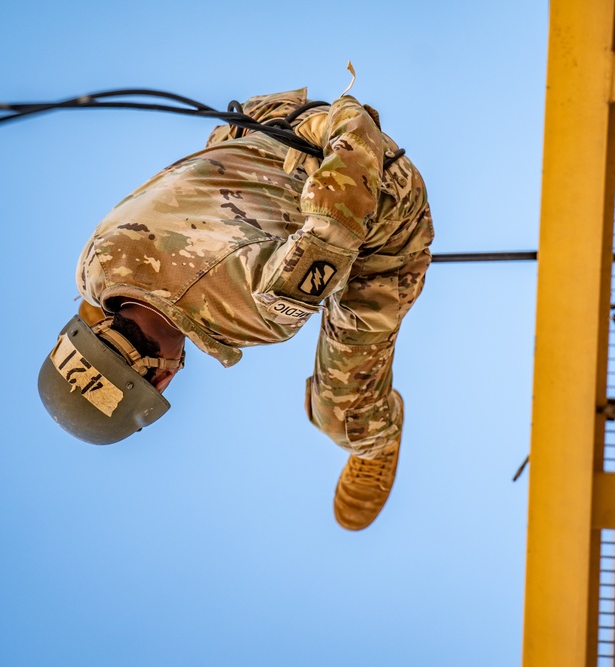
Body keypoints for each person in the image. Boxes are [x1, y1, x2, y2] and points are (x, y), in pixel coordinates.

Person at [38, 88, 434, 531]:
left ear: (160, 377)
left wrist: (339, 124)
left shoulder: (251, 312)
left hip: (367, 171)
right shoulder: (92, 261)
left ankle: (369, 436)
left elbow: (341, 218)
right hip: (266, 118)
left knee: (339, 410)